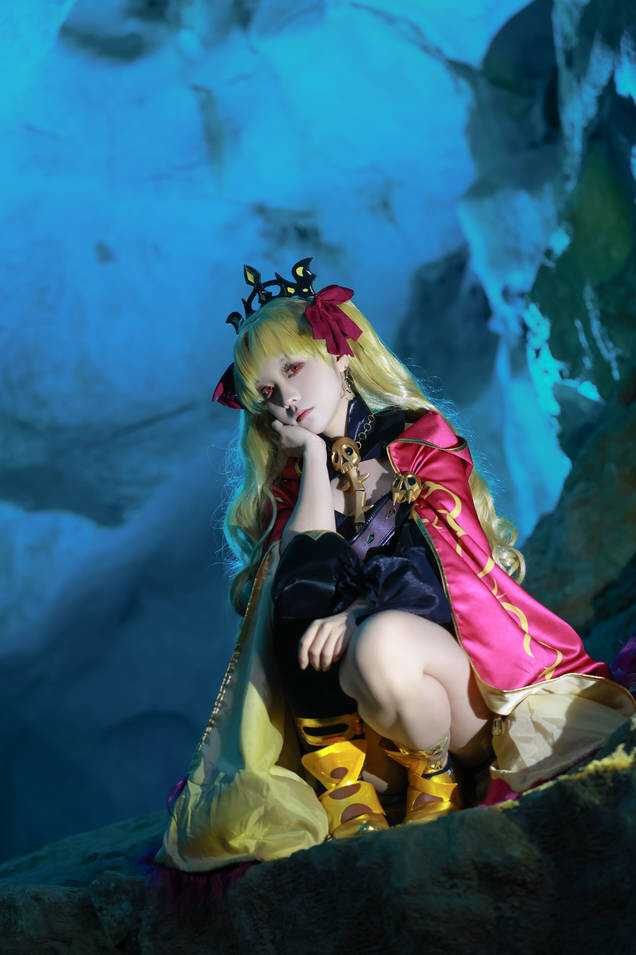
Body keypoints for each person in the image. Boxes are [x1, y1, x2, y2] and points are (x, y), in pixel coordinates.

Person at [155, 259, 635, 873]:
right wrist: (312, 462)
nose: (287, 398)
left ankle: (438, 779)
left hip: (453, 703)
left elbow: (445, 584)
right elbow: (300, 590)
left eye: (293, 368)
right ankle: (350, 792)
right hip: (365, 739)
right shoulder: (291, 492)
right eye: (268, 392)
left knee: (379, 644)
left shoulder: (422, 443)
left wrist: (357, 613)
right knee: (307, 589)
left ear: (340, 356)